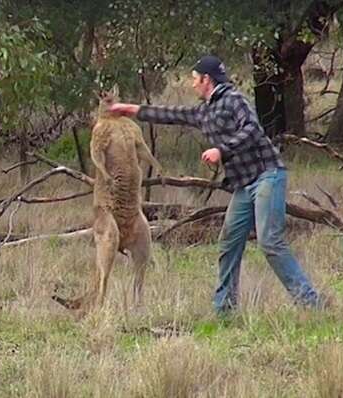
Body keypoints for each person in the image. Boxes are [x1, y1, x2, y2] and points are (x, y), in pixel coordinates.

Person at [109, 55, 322, 313]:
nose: (192, 85)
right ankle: (225, 309)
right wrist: (129, 110)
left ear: (207, 79)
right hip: (243, 184)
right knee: (229, 242)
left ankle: (311, 304)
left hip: (267, 175)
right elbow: (170, 114)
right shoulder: (205, 111)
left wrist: (222, 150)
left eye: (195, 79)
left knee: (270, 242)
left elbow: (253, 130)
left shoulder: (234, 100)